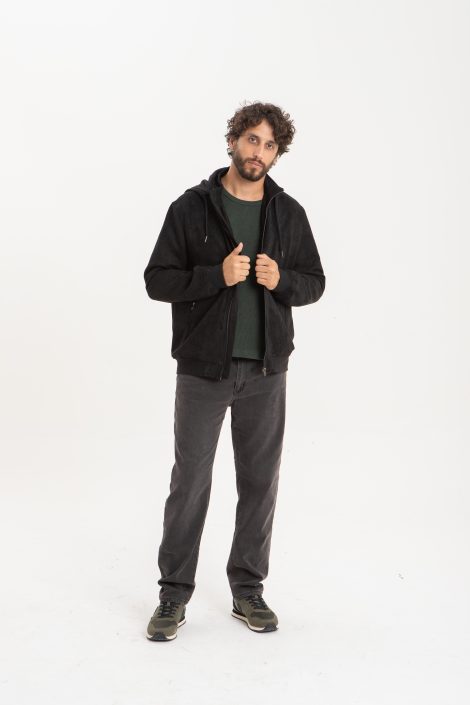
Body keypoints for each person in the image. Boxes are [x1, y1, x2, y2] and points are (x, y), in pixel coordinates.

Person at [143, 101, 326, 641]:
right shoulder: (191, 207)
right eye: (251, 140)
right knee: (190, 482)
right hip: (203, 370)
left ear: (277, 153)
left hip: (267, 371)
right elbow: (157, 280)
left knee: (260, 482)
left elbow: (314, 282)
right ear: (233, 141)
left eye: (270, 145)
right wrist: (214, 276)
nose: (258, 152)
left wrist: (281, 279)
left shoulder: (288, 213)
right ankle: (173, 595)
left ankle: (248, 589)